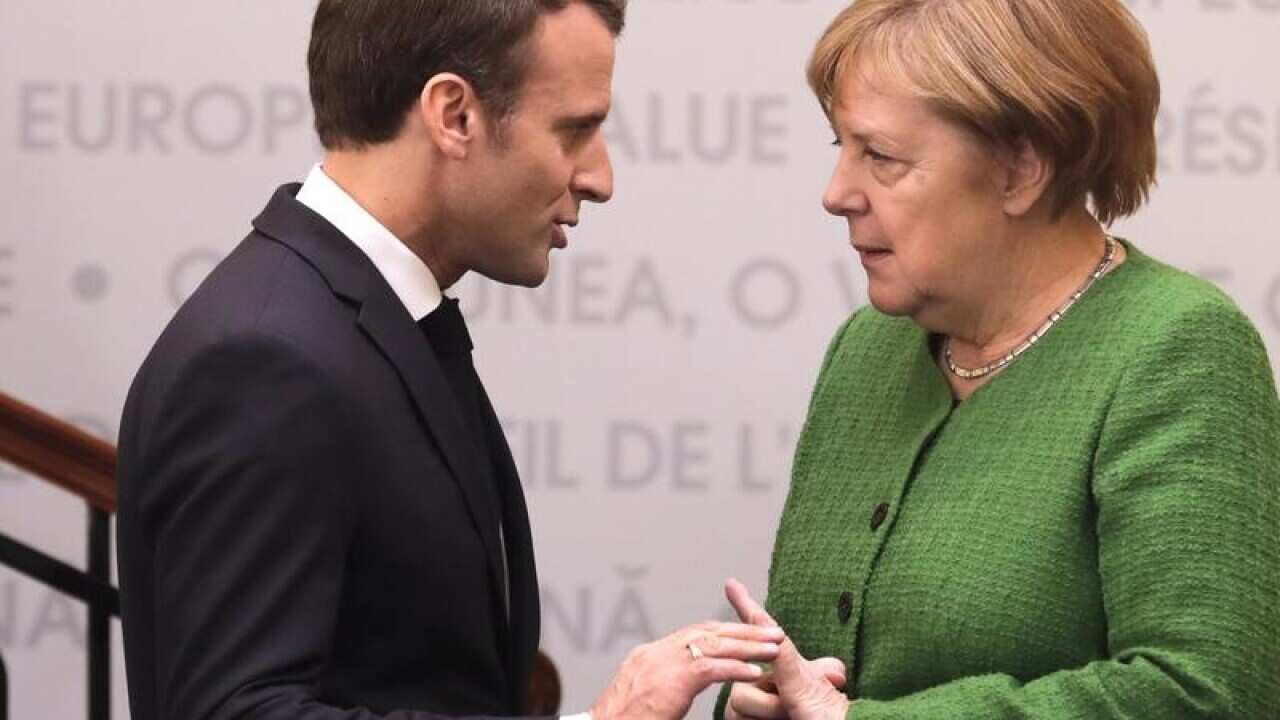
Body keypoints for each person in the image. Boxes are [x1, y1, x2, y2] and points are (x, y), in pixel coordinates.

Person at [115, 2, 783, 719]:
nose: (599, 177)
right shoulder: (267, 360)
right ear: (454, 116)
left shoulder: (355, 322)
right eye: (574, 131)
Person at [715, 0, 1280, 718]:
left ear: (1020, 168)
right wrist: (753, 699)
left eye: (880, 156)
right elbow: (806, 656)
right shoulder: (867, 347)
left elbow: (1207, 694)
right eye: (840, 147)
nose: (835, 194)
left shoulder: (1178, 348)